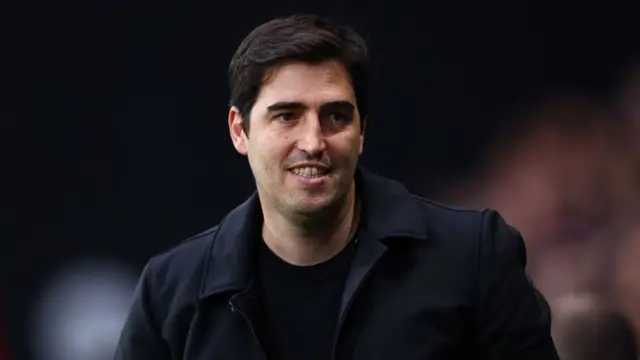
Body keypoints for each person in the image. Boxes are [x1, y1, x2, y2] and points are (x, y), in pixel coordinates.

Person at [113, 14, 559, 360]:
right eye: (287, 115)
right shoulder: (171, 292)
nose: (312, 142)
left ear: (362, 131)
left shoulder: (474, 258)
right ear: (239, 130)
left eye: (336, 116)